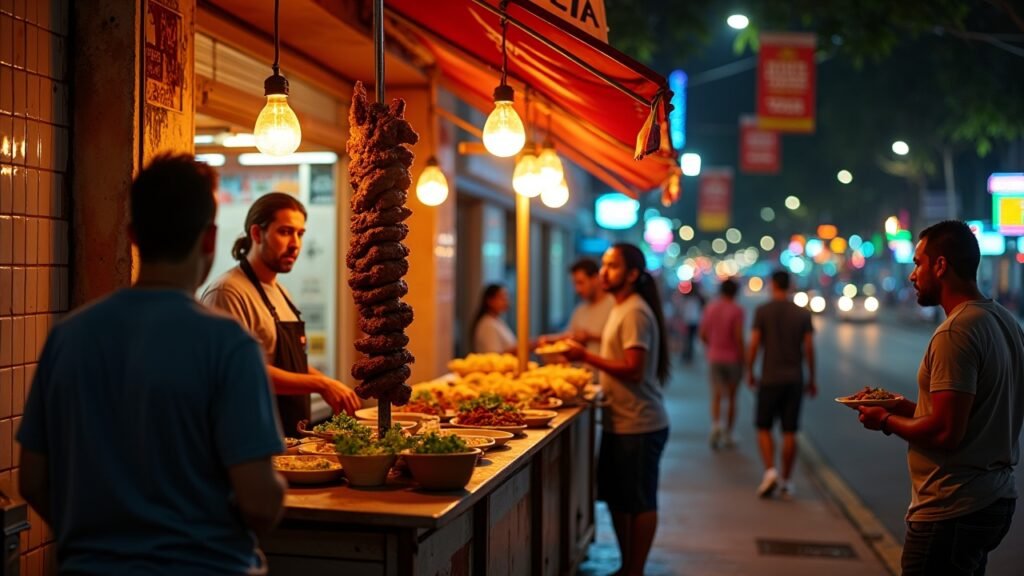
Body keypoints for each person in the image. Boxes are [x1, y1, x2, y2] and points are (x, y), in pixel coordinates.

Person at [17, 154, 286, 574]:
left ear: (133, 235)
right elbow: (259, 501)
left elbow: (32, 480)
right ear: (210, 239)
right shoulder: (229, 345)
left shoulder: (68, 338)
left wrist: (100, 537)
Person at [853, 221, 1023, 576]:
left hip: (952, 506)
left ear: (941, 266)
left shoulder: (956, 332)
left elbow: (947, 433)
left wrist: (883, 421)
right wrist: (899, 406)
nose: (913, 275)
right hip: (993, 497)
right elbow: (965, 416)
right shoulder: (1005, 321)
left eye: (918, 264)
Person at [202, 192, 360, 436]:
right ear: (257, 234)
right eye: (285, 232)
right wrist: (321, 384)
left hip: (289, 437)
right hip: (247, 440)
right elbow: (243, 371)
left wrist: (332, 385)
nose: (295, 244)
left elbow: (291, 364)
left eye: (300, 233)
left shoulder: (281, 291)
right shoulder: (228, 291)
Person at [562, 243, 670, 576]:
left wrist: (585, 356)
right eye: (604, 265)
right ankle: (627, 567)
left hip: (639, 423)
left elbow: (634, 368)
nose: (604, 272)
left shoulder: (635, 310)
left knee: (638, 502)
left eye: (612, 266)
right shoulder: (621, 308)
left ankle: (634, 570)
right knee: (618, 500)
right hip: (619, 421)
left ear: (633, 275)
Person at [746, 270, 816, 499]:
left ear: (772, 285)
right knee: (790, 431)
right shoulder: (802, 314)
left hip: (769, 378)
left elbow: (755, 344)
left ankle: (770, 471)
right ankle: (786, 481)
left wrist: (749, 371)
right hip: (794, 379)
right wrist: (812, 378)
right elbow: (808, 349)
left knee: (763, 427)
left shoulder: (762, 311)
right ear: (790, 285)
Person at [700, 278, 745, 450]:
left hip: (714, 357)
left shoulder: (710, 308)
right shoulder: (737, 310)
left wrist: (712, 347)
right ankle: (728, 433)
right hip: (733, 359)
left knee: (716, 394)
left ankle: (716, 425)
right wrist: (745, 359)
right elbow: (739, 337)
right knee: (732, 398)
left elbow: (703, 334)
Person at [541, 258, 615, 357]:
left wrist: (590, 337)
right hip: (581, 370)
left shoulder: (614, 305)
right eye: (575, 284)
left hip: (606, 371)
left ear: (595, 278)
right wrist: (549, 340)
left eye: (581, 283)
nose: (577, 289)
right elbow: (569, 336)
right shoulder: (580, 310)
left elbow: (621, 341)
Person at [472, 283, 518, 354]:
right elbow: (494, 356)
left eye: (506, 298)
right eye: (502, 298)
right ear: (490, 301)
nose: (506, 301)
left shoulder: (497, 321)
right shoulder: (487, 325)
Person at [680, 284, 705, 363]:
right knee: (689, 339)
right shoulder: (697, 298)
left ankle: (687, 355)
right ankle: (687, 355)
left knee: (688, 339)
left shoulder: (691, 298)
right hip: (692, 321)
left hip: (690, 321)